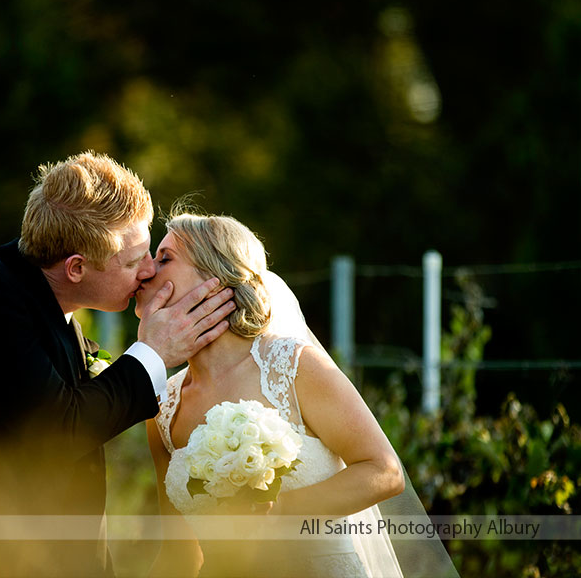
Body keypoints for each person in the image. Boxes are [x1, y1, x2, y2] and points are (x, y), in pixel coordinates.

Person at [0, 153, 235, 576]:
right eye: (133, 261)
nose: (148, 272)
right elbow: (58, 430)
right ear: (76, 268)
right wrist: (154, 353)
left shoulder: (45, 301)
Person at [140, 210, 459, 577]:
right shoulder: (163, 406)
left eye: (165, 258)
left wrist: (280, 511)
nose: (147, 271)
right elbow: (179, 556)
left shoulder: (292, 366)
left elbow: (385, 471)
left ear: (215, 279)